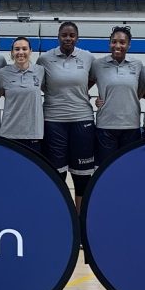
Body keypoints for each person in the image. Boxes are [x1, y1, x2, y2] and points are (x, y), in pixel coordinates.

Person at [38, 21, 96, 210]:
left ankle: (79, 221)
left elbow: (93, 79)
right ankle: (61, 217)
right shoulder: (45, 59)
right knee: (57, 175)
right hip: (54, 122)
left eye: (71, 35)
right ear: (58, 37)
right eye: (64, 35)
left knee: (82, 177)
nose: (68, 38)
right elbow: (40, 84)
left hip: (82, 120)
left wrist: (79, 93)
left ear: (77, 38)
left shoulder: (88, 57)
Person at [91, 25, 143, 165]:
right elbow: (82, 87)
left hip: (131, 126)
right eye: (114, 41)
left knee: (129, 168)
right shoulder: (97, 65)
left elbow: (141, 91)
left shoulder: (137, 65)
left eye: (122, 42)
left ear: (129, 45)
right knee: (104, 169)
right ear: (110, 43)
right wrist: (96, 99)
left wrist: (127, 99)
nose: (117, 45)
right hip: (105, 126)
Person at [0, 37, 46, 153]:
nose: (20, 52)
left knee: (32, 170)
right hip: (9, 133)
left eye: (24, 49)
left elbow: (52, 91)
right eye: (17, 49)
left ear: (30, 51)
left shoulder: (40, 71)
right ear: (12, 52)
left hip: (33, 133)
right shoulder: (3, 72)